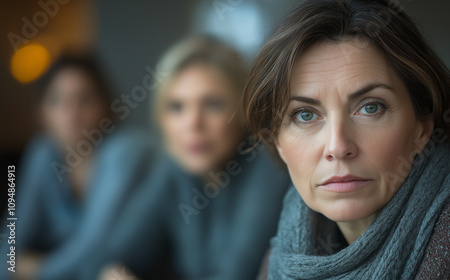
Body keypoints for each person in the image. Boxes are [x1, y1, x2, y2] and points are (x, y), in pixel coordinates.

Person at [242, 0, 450, 279]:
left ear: (423, 126)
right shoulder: (284, 255)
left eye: (370, 107)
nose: (338, 147)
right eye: (305, 115)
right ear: (278, 142)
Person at [97, 36, 291, 280]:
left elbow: (236, 275)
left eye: (212, 104)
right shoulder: (173, 166)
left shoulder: (267, 164)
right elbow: (116, 255)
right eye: (177, 107)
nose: (192, 124)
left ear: (242, 110)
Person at [0, 53, 159, 280]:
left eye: (84, 100)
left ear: (106, 106)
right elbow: (14, 230)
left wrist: (38, 271)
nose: (71, 112)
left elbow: (96, 246)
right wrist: (7, 268)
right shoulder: (42, 152)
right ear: (42, 111)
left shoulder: (125, 151)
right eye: (57, 100)